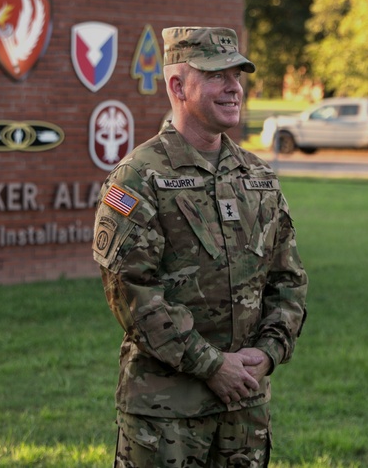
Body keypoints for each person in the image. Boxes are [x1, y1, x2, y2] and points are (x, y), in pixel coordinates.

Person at [92, 27, 307, 468]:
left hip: (244, 410)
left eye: (238, 75)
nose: (234, 88)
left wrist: (268, 352)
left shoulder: (258, 177)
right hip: (166, 416)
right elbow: (133, 294)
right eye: (217, 75)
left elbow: (289, 281)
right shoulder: (138, 176)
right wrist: (212, 365)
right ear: (177, 86)